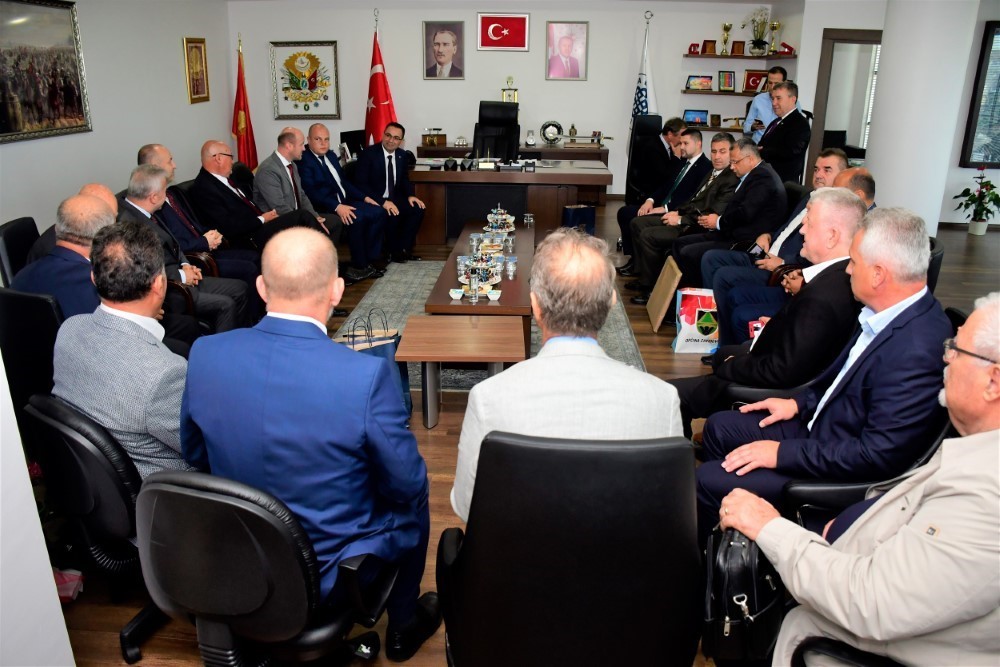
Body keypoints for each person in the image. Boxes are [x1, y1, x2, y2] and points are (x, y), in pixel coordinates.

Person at [181, 227, 439, 661]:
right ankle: (403, 624)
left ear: (261, 287)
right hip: (329, 576)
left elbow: (195, 456)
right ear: (337, 290)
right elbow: (408, 483)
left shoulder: (205, 353)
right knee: (417, 494)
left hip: (238, 560)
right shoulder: (363, 376)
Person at [720, 292, 1000, 666]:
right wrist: (863, 517)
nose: (945, 358)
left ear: (993, 381)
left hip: (831, 644)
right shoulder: (977, 449)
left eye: (956, 350)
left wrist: (769, 527)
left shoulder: (986, 499)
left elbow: (872, 604)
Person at [695, 207, 953, 544]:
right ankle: (728, 542)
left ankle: (724, 558)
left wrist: (779, 453)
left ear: (878, 274)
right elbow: (842, 378)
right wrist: (798, 403)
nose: (847, 270)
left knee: (709, 479)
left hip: (836, 465)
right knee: (720, 427)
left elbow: (875, 455)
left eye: (854, 262)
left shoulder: (916, 348)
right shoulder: (886, 312)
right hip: (823, 426)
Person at [451, 228, 683, 523]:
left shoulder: (488, 398)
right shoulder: (662, 400)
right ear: (611, 301)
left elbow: (467, 506)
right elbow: (668, 511)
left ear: (535, 306)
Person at [668, 187, 866, 435]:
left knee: (669, 396)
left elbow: (782, 370)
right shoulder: (839, 277)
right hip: (774, 359)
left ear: (832, 236)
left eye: (808, 222)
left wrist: (732, 366)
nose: (802, 230)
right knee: (721, 357)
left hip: (771, 384)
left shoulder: (823, 296)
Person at [52, 221, 193, 478]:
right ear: (159, 284)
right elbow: (200, 449)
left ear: (93, 277)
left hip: (91, 479)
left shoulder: (69, 329)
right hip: (165, 491)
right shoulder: (164, 373)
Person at [702, 148, 850, 346]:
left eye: (827, 170)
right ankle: (715, 334)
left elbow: (816, 257)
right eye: (816, 169)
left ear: (842, 174)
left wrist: (782, 262)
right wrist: (768, 235)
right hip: (766, 252)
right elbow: (786, 228)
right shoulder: (809, 196)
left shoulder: (834, 213)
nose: (818, 174)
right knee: (711, 258)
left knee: (724, 276)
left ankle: (724, 344)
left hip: (781, 269)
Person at [119, 164, 249, 333]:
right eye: (164, 191)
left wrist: (186, 265)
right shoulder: (129, 225)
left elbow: (174, 244)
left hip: (182, 275)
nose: (167, 196)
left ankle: (241, 337)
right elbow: (143, 272)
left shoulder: (146, 211)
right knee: (226, 304)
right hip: (171, 291)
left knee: (240, 288)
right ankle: (220, 347)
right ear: (153, 197)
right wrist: (181, 275)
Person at [138, 143, 262, 315]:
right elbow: (172, 245)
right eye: (170, 161)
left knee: (255, 257)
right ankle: (253, 318)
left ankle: (258, 314)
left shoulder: (173, 193)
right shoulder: (152, 205)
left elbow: (193, 223)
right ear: (154, 166)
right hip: (195, 259)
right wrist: (204, 242)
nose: (175, 165)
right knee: (248, 269)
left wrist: (212, 234)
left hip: (206, 248)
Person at [625, 133, 740, 304]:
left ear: (732, 152)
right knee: (637, 223)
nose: (717, 156)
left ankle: (652, 288)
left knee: (648, 235)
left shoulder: (731, 178)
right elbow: (693, 200)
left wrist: (680, 219)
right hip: (685, 216)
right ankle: (644, 277)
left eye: (722, 152)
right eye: (714, 151)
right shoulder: (713, 172)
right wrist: (676, 211)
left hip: (694, 227)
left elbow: (711, 212)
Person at [671, 138, 786, 287]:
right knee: (679, 243)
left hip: (745, 242)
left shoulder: (763, 177)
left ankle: (697, 296)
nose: (732, 167)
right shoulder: (756, 174)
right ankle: (677, 294)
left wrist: (718, 222)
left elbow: (744, 213)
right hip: (731, 232)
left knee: (689, 252)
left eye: (735, 162)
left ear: (750, 159)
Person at [187, 139, 328, 249]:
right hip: (249, 236)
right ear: (218, 158)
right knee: (302, 216)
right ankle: (329, 264)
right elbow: (227, 226)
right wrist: (261, 219)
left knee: (306, 220)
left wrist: (267, 216)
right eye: (230, 156)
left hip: (260, 224)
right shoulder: (204, 188)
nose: (233, 161)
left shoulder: (228, 178)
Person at [615, 128, 712, 278]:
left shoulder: (705, 168)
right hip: (662, 205)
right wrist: (650, 200)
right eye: (681, 143)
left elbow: (690, 198)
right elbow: (666, 185)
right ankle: (635, 260)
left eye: (685, 143)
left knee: (636, 221)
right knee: (624, 212)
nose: (682, 147)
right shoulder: (683, 163)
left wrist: (665, 208)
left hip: (675, 211)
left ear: (698, 144)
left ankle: (640, 268)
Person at [297, 123, 388, 282]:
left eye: (326, 139)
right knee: (357, 218)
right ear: (309, 140)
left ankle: (370, 260)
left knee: (378, 211)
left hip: (345, 200)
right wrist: (337, 206)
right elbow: (311, 192)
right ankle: (359, 266)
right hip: (325, 206)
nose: (323, 143)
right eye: (318, 139)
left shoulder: (331, 156)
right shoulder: (304, 160)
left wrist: (364, 197)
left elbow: (343, 182)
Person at [617, 117, 686, 273]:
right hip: (650, 195)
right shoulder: (652, 146)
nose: (682, 141)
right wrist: (676, 158)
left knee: (627, 214)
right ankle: (635, 260)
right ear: (670, 134)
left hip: (666, 201)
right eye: (681, 136)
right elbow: (664, 177)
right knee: (626, 214)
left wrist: (677, 157)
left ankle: (637, 261)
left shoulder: (675, 150)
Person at [354, 122, 426, 263]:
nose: (391, 140)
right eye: (388, 135)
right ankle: (392, 252)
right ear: (383, 135)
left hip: (394, 197)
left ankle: (403, 250)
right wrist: (383, 202)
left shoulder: (401, 155)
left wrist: (410, 195)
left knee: (417, 209)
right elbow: (361, 184)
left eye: (396, 138)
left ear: (401, 141)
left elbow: (404, 179)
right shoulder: (369, 154)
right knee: (391, 212)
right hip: (374, 199)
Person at [757, 81, 811, 184]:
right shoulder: (775, 122)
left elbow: (791, 151)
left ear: (793, 99)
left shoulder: (800, 124)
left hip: (782, 183)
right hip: (766, 179)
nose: (774, 103)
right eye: (773, 99)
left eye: (778, 98)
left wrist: (763, 151)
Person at [742, 66, 794, 142]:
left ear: (785, 83)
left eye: (776, 83)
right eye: (770, 83)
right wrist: (752, 127)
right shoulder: (758, 99)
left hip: (780, 145)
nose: (772, 87)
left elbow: (797, 128)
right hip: (758, 144)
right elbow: (746, 127)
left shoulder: (791, 101)